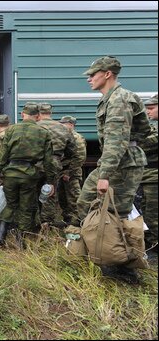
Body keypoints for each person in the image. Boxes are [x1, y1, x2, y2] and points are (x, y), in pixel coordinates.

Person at [77, 56, 151, 282]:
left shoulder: (119, 99)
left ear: (107, 74)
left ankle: (123, 269)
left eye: (93, 74)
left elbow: (117, 139)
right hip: (118, 161)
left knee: (115, 213)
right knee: (87, 203)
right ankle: (103, 254)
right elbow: (145, 130)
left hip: (121, 165)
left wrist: (105, 174)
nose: (89, 78)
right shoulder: (112, 98)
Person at [0, 102, 55, 248]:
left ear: (22, 114)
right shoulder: (44, 133)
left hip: (11, 173)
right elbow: (48, 161)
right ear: (38, 116)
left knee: (9, 203)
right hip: (29, 175)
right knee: (26, 207)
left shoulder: (11, 130)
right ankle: (21, 241)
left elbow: (2, 154)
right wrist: (50, 181)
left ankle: (1, 235)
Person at [37, 103, 79, 227]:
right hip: (55, 163)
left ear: (38, 113)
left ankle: (34, 222)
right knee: (50, 193)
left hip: (36, 163)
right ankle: (47, 223)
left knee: (33, 192)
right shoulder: (62, 128)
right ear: (51, 113)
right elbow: (72, 151)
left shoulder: (35, 126)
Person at [57, 115, 87, 225]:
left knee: (74, 199)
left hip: (71, 174)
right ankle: (68, 221)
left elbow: (80, 157)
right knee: (63, 199)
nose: (61, 126)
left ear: (71, 125)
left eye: (63, 124)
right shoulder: (66, 136)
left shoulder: (76, 138)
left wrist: (69, 172)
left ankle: (79, 222)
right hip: (63, 172)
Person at [139, 94, 158, 261]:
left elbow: (145, 144)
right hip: (149, 177)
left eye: (151, 108)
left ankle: (155, 248)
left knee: (153, 215)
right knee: (147, 212)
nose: (147, 111)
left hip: (154, 178)